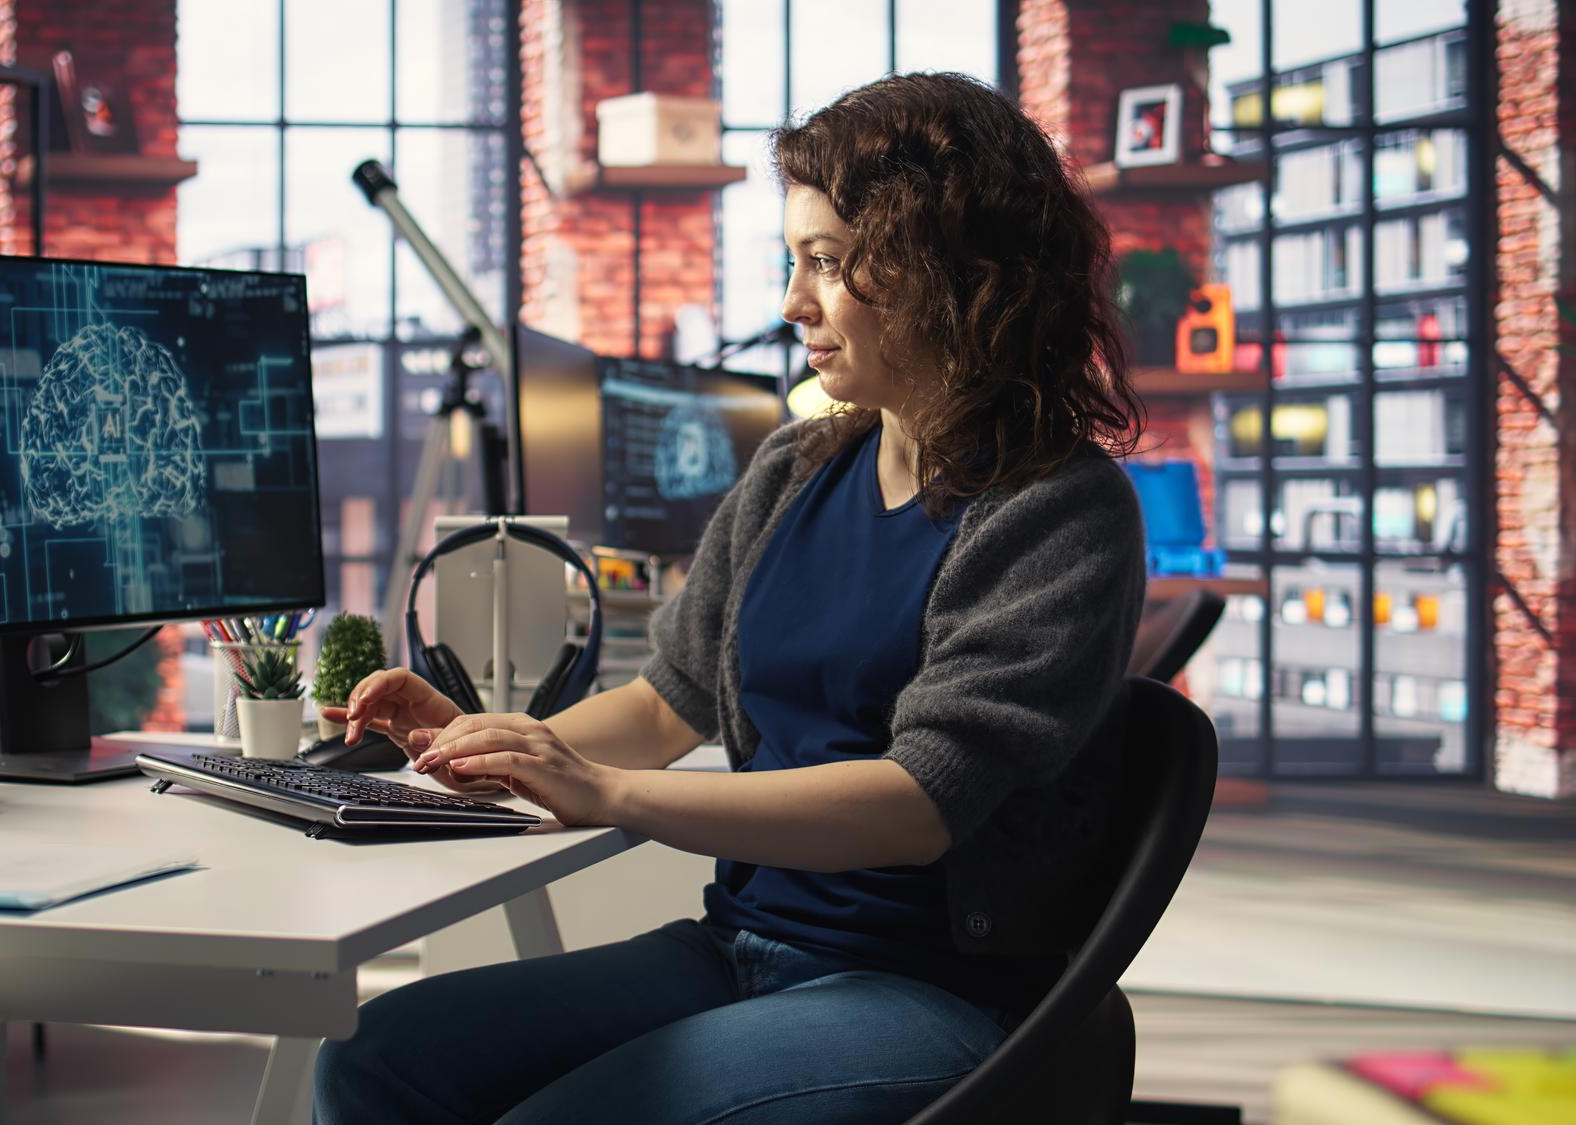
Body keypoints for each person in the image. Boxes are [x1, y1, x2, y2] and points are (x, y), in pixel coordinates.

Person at [313, 72, 1147, 1125]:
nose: (794, 303)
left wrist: (603, 792)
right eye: (793, 263)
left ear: (954, 271)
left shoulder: (1056, 510)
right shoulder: (796, 468)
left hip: (929, 991)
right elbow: (667, 705)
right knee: (377, 1057)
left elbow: (916, 804)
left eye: (828, 264)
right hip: (736, 945)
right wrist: (503, 750)